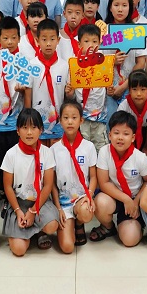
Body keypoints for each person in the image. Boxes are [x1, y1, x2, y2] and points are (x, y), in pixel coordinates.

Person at [1, 109, 60, 255]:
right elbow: (7, 186)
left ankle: (39, 231)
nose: (29, 132)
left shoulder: (47, 152)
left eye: (34, 127)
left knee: (52, 225)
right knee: (19, 250)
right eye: (24, 127)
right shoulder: (11, 154)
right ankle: (27, 229)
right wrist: (18, 211)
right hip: (18, 202)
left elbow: (47, 185)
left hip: (40, 201)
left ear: (41, 130)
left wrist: (33, 211)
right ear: (17, 130)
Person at [91, 111, 147, 247]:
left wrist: (135, 202)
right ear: (109, 135)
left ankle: (137, 224)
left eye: (126, 134)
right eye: (116, 133)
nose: (120, 138)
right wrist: (125, 199)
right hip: (114, 196)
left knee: (129, 240)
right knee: (100, 202)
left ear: (133, 137)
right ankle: (108, 227)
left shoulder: (140, 157)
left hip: (135, 198)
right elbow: (103, 183)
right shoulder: (104, 152)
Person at [51, 102, 97, 252]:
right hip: (63, 202)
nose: (70, 121)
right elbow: (52, 184)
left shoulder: (88, 147)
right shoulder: (54, 149)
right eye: (66, 118)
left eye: (74, 117)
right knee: (67, 247)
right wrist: (58, 208)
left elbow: (93, 177)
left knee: (86, 213)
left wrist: (89, 195)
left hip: (81, 199)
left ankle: (79, 223)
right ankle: (70, 223)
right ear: (60, 120)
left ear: (81, 120)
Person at [0, 16, 27, 166]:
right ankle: (1, 181)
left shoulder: (23, 61)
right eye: (5, 38)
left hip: (16, 120)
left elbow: (28, 90)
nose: (9, 42)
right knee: (0, 158)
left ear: (19, 38)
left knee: (16, 158)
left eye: (13, 38)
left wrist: (23, 90)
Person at [25, 19, 70, 141]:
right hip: (37, 122)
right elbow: (28, 96)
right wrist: (28, 121)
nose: (48, 44)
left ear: (58, 40)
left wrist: (70, 93)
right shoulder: (31, 66)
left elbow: (67, 97)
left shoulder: (65, 66)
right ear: (37, 40)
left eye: (52, 39)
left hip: (58, 122)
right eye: (44, 40)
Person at [66, 24, 109, 150]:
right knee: (82, 148)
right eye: (86, 41)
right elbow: (71, 96)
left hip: (99, 117)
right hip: (82, 118)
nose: (91, 45)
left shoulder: (104, 63)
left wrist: (110, 90)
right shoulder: (74, 65)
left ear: (100, 43)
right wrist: (69, 93)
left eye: (94, 41)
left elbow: (108, 88)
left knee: (100, 147)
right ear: (79, 44)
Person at [117, 70, 147, 158]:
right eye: (134, 89)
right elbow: (122, 130)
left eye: (143, 89)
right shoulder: (123, 107)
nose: (138, 94)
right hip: (129, 132)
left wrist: (146, 147)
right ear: (129, 90)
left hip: (146, 134)